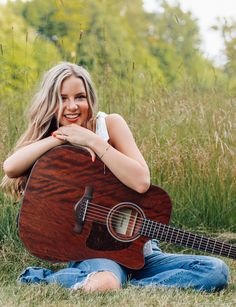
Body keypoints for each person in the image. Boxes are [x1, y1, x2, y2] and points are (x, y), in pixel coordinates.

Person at [2, 62, 229, 293]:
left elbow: (141, 182)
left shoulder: (109, 125)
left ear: (90, 99)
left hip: (143, 252)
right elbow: (10, 167)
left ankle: (124, 286)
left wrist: (92, 141)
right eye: (62, 98)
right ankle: (45, 279)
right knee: (106, 281)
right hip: (95, 256)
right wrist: (62, 137)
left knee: (215, 270)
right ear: (50, 103)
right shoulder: (53, 140)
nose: (72, 106)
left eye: (80, 97)